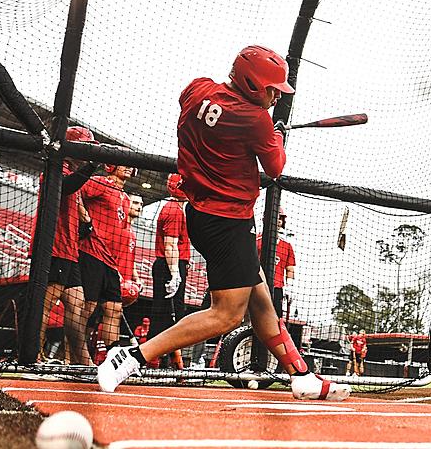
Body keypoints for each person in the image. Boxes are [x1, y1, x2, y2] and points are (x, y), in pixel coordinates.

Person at [98, 45, 350, 400]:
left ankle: (301, 374)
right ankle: (133, 356)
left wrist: (254, 129)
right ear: (250, 83)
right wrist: (273, 135)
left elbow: (207, 112)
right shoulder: (256, 121)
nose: (276, 96)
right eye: (271, 89)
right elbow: (276, 167)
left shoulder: (198, 87)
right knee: (226, 315)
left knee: (261, 301)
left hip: (202, 214)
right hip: (227, 222)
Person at [33, 125, 97, 365]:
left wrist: (86, 224)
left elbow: (76, 206)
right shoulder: (56, 168)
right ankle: (34, 356)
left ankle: (78, 362)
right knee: (45, 305)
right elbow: (66, 187)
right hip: (53, 248)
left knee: (77, 306)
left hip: (70, 251)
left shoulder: (73, 176)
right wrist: (92, 167)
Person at [78, 164, 134, 363]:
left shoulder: (126, 198)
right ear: (111, 166)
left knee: (114, 309)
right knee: (88, 307)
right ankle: (74, 355)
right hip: (92, 252)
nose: (129, 168)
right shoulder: (100, 183)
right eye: (123, 164)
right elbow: (76, 193)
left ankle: (111, 360)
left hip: (111, 262)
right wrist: (85, 220)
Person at [150, 174, 190, 348]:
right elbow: (170, 245)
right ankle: (155, 359)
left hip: (172, 263)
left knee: (169, 313)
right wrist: (175, 274)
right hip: (170, 265)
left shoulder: (178, 208)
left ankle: (163, 359)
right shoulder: (174, 210)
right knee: (166, 313)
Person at [256, 207, 295, 320]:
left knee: (275, 319)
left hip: (277, 288)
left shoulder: (287, 245)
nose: (278, 221)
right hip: (257, 284)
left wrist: (290, 288)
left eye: (280, 218)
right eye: (275, 218)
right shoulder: (257, 240)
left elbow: (290, 269)